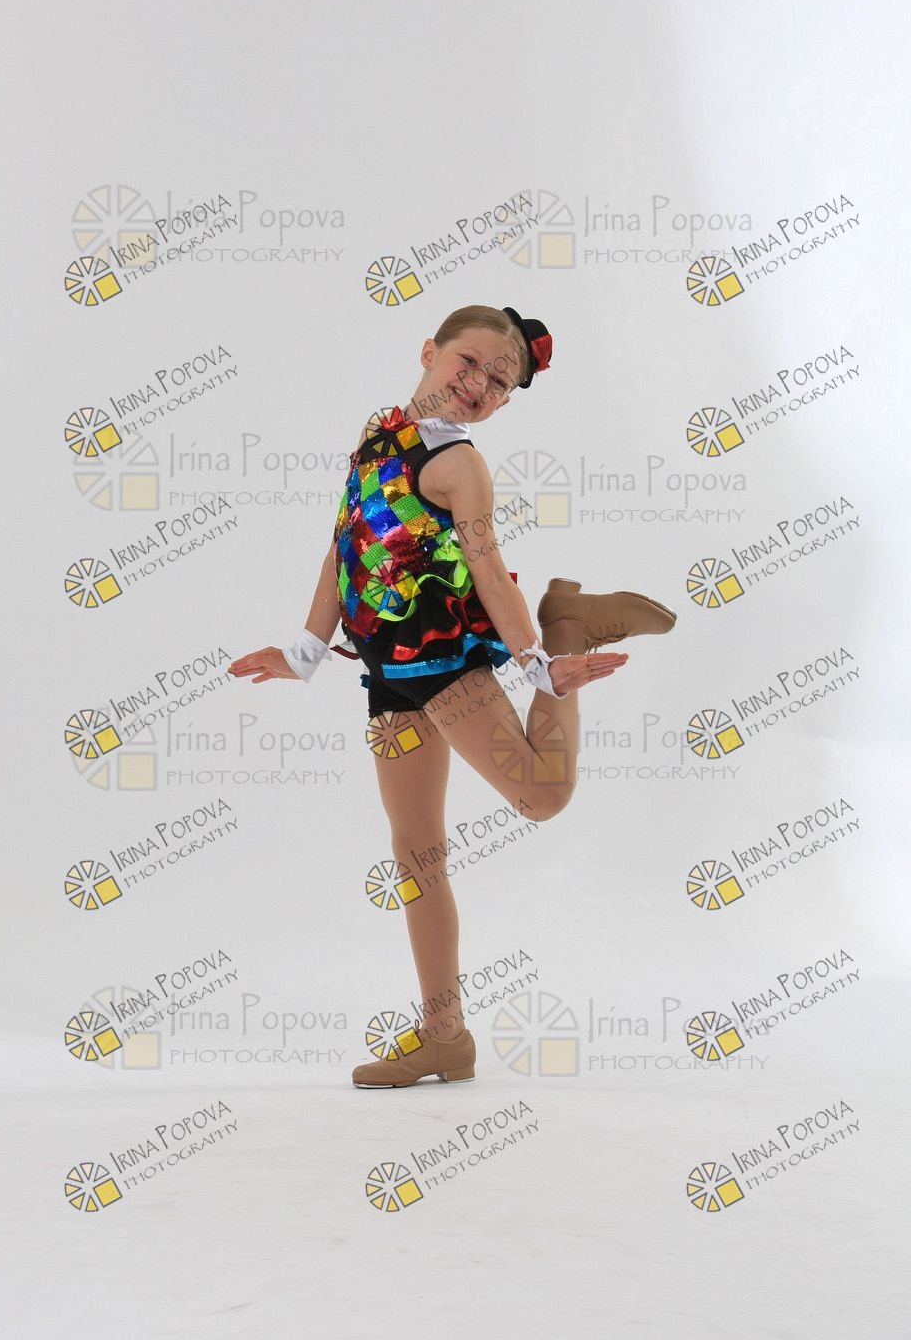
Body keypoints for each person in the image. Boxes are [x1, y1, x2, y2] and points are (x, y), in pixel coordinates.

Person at [228, 304, 676, 1089]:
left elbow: (486, 566)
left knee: (542, 797)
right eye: (470, 363)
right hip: (387, 671)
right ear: (429, 350)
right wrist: (304, 652)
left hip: (439, 664)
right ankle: (446, 1037)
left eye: (499, 383)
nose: (478, 385)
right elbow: (346, 543)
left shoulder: (461, 465)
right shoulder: (378, 432)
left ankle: (567, 624)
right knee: (417, 856)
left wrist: (541, 667)